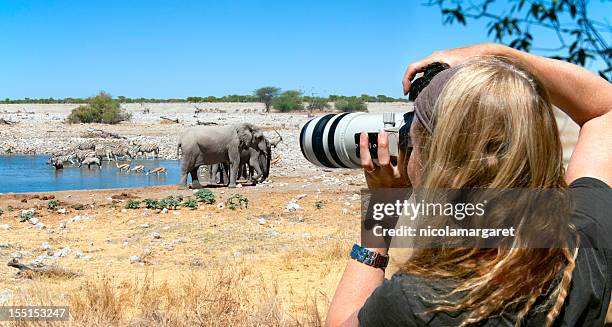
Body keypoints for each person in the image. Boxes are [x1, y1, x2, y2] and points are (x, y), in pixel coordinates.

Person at [327, 43, 612, 326]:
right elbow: (605, 111)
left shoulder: (421, 302)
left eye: (413, 141)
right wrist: (498, 54)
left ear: (438, 162)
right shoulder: (582, 246)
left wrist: (382, 210)